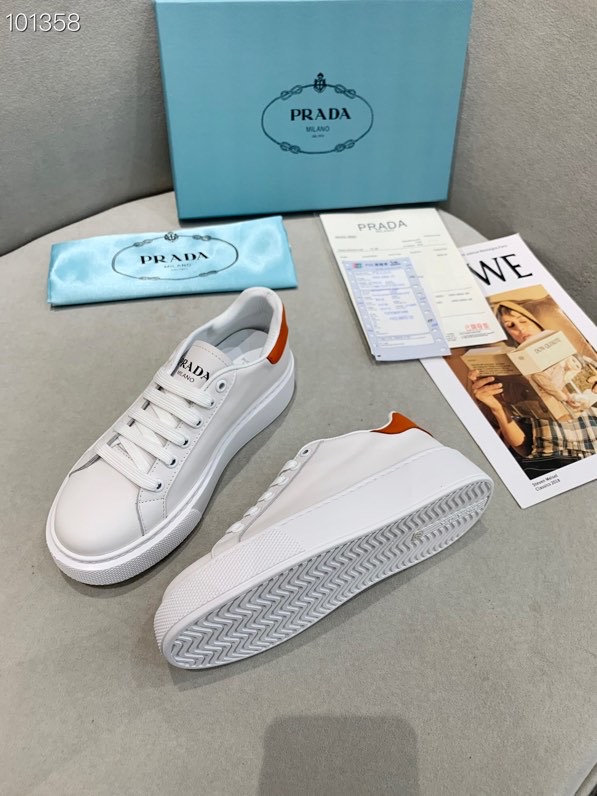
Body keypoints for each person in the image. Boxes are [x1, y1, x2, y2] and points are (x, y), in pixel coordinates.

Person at [468, 301, 597, 477]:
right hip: (550, 459)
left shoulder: (582, 360)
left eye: (523, 320)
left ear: (536, 323)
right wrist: (497, 408)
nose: (520, 329)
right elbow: (523, 448)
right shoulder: (515, 377)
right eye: (510, 326)